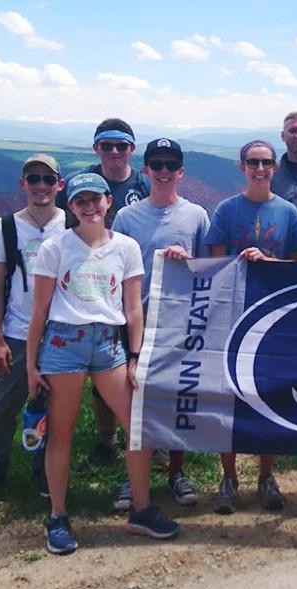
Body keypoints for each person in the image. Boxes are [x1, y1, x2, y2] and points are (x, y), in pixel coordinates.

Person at [27, 172, 179, 555]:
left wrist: (134, 355)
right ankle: (58, 515)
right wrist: (31, 366)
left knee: (138, 427)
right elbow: (40, 311)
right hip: (64, 342)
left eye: (96, 200)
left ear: (109, 201)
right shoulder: (55, 248)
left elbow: (133, 308)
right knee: (60, 434)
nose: (90, 207)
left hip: (109, 344)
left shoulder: (126, 248)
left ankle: (140, 509)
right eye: (81, 202)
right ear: (71, 206)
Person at [206, 140, 297, 514]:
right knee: (227, 398)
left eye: (266, 162)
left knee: (268, 396)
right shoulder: (226, 210)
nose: (260, 168)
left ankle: (266, 475)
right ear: (242, 166)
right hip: (231, 318)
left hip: (273, 320)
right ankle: (229, 477)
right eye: (253, 161)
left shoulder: (288, 213)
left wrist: (269, 262)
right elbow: (214, 266)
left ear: (275, 167)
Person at [110, 138, 211, 510]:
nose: (164, 171)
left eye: (171, 165)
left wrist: (186, 263)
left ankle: (175, 471)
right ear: (146, 170)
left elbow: (208, 270)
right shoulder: (126, 218)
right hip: (135, 320)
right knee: (133, 402)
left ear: (181, 171)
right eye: (157, 164)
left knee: (177, 399)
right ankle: (133, 476)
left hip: (182, 322)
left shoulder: (197, 215)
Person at [0, 154, 67, 504]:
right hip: (17, 333)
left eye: (47, 179)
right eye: (33, 179)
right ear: (22, 184)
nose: (40, 186)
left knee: (52, 407)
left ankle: (42, 474)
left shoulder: (71, 224)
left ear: (59, 185)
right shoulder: (4, 228)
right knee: (2, 409)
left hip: (61, 334)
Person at [57, 118, 152, 468]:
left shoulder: (144, 182)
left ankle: (140, 442)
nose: (114, 152)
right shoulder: (83, 182)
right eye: (107, 145)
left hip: (137, 288)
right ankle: (106, 441)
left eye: (122, 145)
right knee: (102, 375)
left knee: (135, 369)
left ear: (132, 148)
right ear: (97, 147)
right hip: (93, 292)